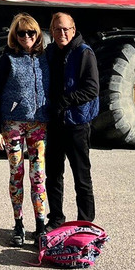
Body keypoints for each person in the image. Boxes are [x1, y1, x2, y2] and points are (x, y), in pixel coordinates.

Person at [0, 13, 50, 247]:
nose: (26, 37)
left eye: (31, 32)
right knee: (16, 174)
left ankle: (41, 225)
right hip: (12, 124)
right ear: (14, 35)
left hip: (38, 125)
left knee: (38, 176)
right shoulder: (8, 59)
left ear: (37, 34)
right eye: (21, 33)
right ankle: (18, 224)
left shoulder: (45, 58)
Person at [44, 12, 99, 227]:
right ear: (52, 31)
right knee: (53, 176)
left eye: (66, 29)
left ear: (73, 30)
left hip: (77, 124)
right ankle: (56, 220)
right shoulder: (50, 52)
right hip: (55, 124)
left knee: (81, 178)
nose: (62, 33)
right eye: (57, 29)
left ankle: (84, 224)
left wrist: (65, 101)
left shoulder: (84, 53)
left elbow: (92, 89)